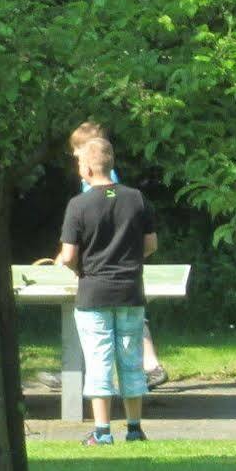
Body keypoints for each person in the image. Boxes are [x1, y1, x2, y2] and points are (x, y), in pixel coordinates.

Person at [53, 135, 157, 445]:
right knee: (131, 360)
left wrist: (80, 269)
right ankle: (135, 429)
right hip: (130, 291)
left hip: (93, 294)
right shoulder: (136, 198)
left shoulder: (78, 205)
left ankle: (102, 432)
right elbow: (150, 245)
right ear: (111, 165)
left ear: (85, 167)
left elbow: (69, 256)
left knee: (99, 361)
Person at [66, 120, 167, 387]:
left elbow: (102, 227)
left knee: (106, 327)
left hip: (103, 274)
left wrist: (77, 258)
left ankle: (146, 366)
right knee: (126, 320)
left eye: (77, 150)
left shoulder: (97, 188)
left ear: (90, 153)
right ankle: (144, 371)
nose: (74, 155)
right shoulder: (120, 190)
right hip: (121, 275)